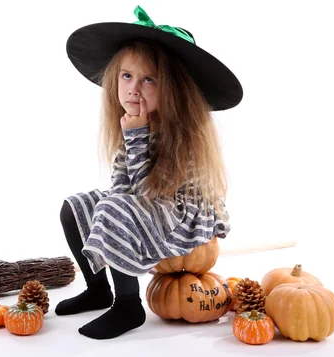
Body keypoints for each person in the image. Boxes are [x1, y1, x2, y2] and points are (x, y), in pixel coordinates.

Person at [55, 5, 243, 340]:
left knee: (115, 207)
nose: (133, 89)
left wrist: (137, 136)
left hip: (186, 215)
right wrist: (133, 137)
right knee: (77, 205)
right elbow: (122, 186)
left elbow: (147, 193)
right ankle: (99, 288)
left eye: (148, 79)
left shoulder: (186, 134)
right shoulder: (133, 124)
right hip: (151, 207)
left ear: (173, 89)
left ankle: (129, 304)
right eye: (127, 76)